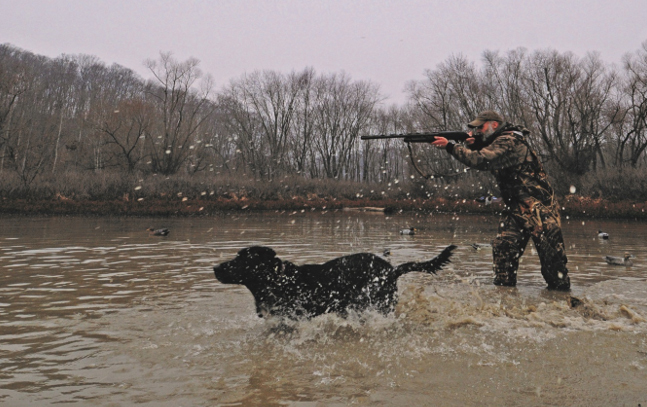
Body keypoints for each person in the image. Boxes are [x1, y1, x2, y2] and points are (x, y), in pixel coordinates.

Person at [431, 110, 570, 290]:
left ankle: (562, 304)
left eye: (481, 127)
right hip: (515, 209)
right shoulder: (497, 142)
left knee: (554, 265)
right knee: (503, 257)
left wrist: (450, 147)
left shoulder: (509, 140)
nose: (478, 131)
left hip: (540, 209)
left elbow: (482, 160)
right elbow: (489, 156)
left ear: (494, 125)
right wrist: (474, 145)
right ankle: (505, 303)